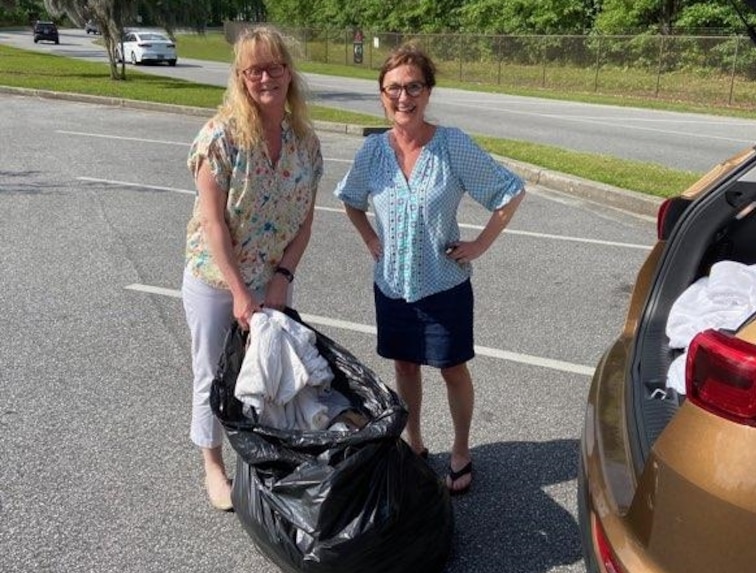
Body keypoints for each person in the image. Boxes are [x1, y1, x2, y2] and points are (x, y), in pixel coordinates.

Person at [334, 44, 525, 495]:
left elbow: (508, 191)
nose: (404, 97)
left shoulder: (452, 145)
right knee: (404, 366)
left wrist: (480, 244)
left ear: (428, 91)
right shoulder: (373, 152)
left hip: (443, 285)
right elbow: (350, 199)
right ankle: (414, 442)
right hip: (392, 285)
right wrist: (371, 240)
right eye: (394, 88)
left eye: (413, 86)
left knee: (453, 369)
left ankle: (460, 449)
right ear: (382, 95)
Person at [181, 26, 323, 510]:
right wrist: (241, 292)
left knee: (268, 371)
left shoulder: (303, 141)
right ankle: (213, 466)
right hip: (218, 280)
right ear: (241, 78)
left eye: (275, 66)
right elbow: (213, 223)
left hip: (272, 280)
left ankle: (264, 460)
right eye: (254, 69)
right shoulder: (220, 137)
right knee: (214, 373)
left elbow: (305, 221)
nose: (266, 77)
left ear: (289, 72)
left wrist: (282, 278)